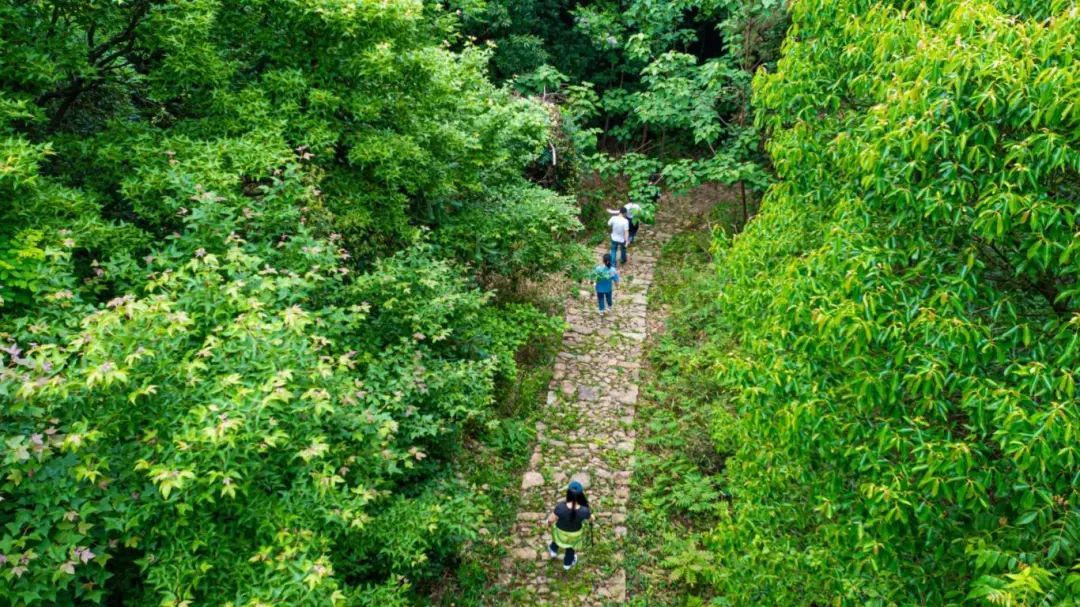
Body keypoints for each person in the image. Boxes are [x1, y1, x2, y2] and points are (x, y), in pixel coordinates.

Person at [546, 480, 592, 570]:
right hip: (574, 534)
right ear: (581, 496)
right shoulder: (584, 511)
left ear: (568, 494)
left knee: (556, 540)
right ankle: (567, 564)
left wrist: (548, 523)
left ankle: (553, 551)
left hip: (560, 532)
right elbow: (591, 519)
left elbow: (551, 519)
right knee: (571, 548)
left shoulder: (560, 507)